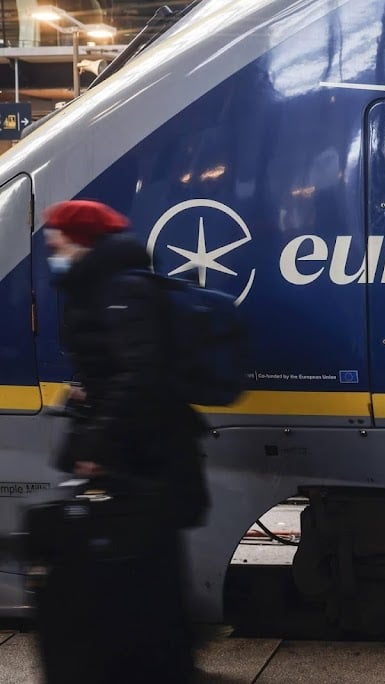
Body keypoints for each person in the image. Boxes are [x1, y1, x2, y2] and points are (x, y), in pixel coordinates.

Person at [37, 199, 209, 683]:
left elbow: (140, 374)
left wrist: (97, 444)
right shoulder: (105, 284)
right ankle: (159, 657)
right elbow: (124, 367)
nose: (50, 241)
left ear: (82, 238)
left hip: (146, 449)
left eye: (58, 232)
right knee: (145, 559)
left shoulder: (121, 288)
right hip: (140, 443)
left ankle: (163, 661)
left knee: (144, 557)